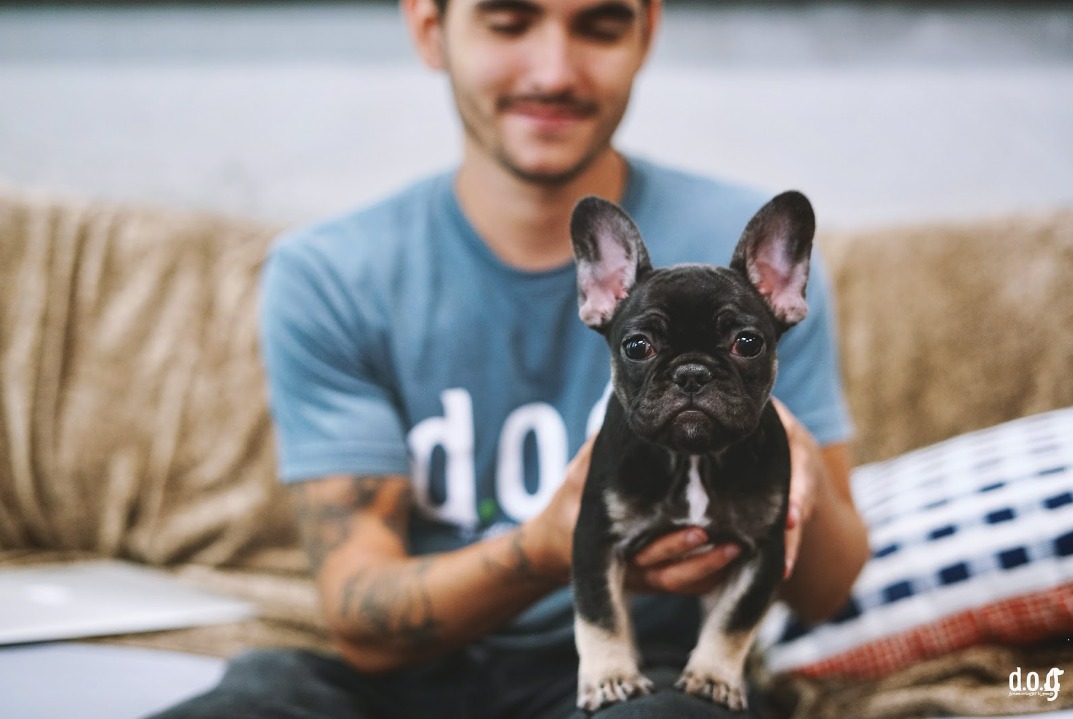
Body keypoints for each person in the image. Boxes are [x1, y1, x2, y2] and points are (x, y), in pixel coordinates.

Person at [150, 0, 869, 717]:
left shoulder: (747, 262)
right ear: (430, 29)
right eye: (508, 21)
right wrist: (550, 543)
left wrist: (789, 457)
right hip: (409, 677)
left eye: (599, 26)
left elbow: (828, 589)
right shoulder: (332, 272)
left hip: (643, 674)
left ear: (647, 32)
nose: (554, 72)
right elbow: (362, 618)